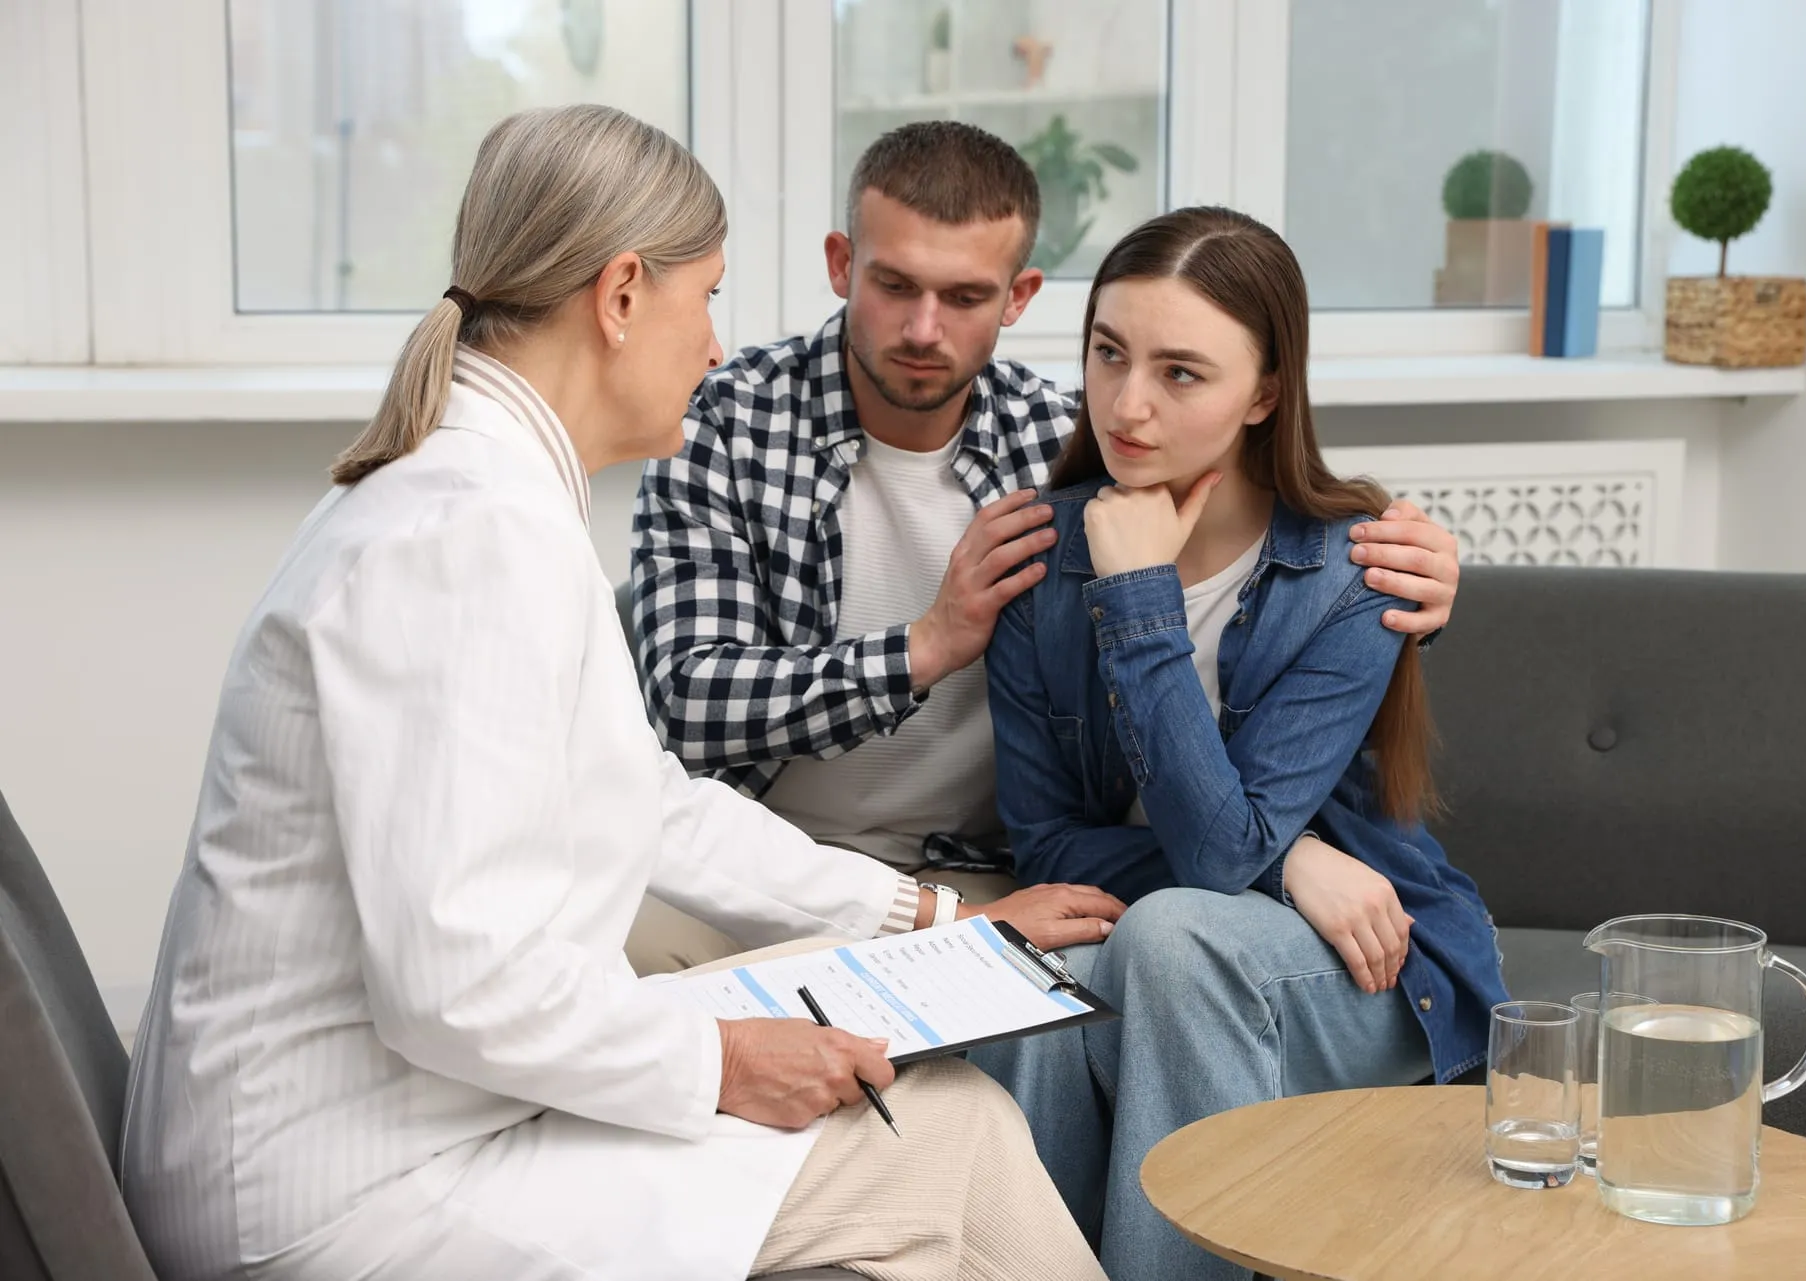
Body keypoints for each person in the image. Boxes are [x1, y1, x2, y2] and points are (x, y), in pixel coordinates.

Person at [120, 105, 1118, 1281]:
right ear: (624, 295)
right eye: (708, 298)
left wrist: (937, 923)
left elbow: (648, 805)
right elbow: (461, 986)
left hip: (391, 1118)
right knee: (949, 1143)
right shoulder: (467, 536)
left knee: (920, 1107)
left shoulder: (481, 497)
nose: (715, 346)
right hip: (335, 1187)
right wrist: (721, 1062)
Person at [630, 122, 1463, 971]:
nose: (923, 328)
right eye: (894, 285)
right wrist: (923, 648)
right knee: (627, 968)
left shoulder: (1068, 437)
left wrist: (1409, 592)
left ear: (1019, 296)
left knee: (1062, 995)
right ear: (842, 264)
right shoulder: (726, 422)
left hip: (985, 874)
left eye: (965, 297)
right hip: (760, 859)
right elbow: (687, 699)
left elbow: (1259, 550)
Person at [966, 207, 1510, 1281]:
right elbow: (1049, 849)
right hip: (1186, 926)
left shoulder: (1352, 573)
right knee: (1038, 971)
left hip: (1364, 966)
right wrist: (1293, 857)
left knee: (1173, 938)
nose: (1127, 404)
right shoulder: (1042, 561)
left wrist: (1138, 596)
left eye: (1181, 373)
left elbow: (1218, 859)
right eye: (1109, 353)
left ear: (1264, 393)